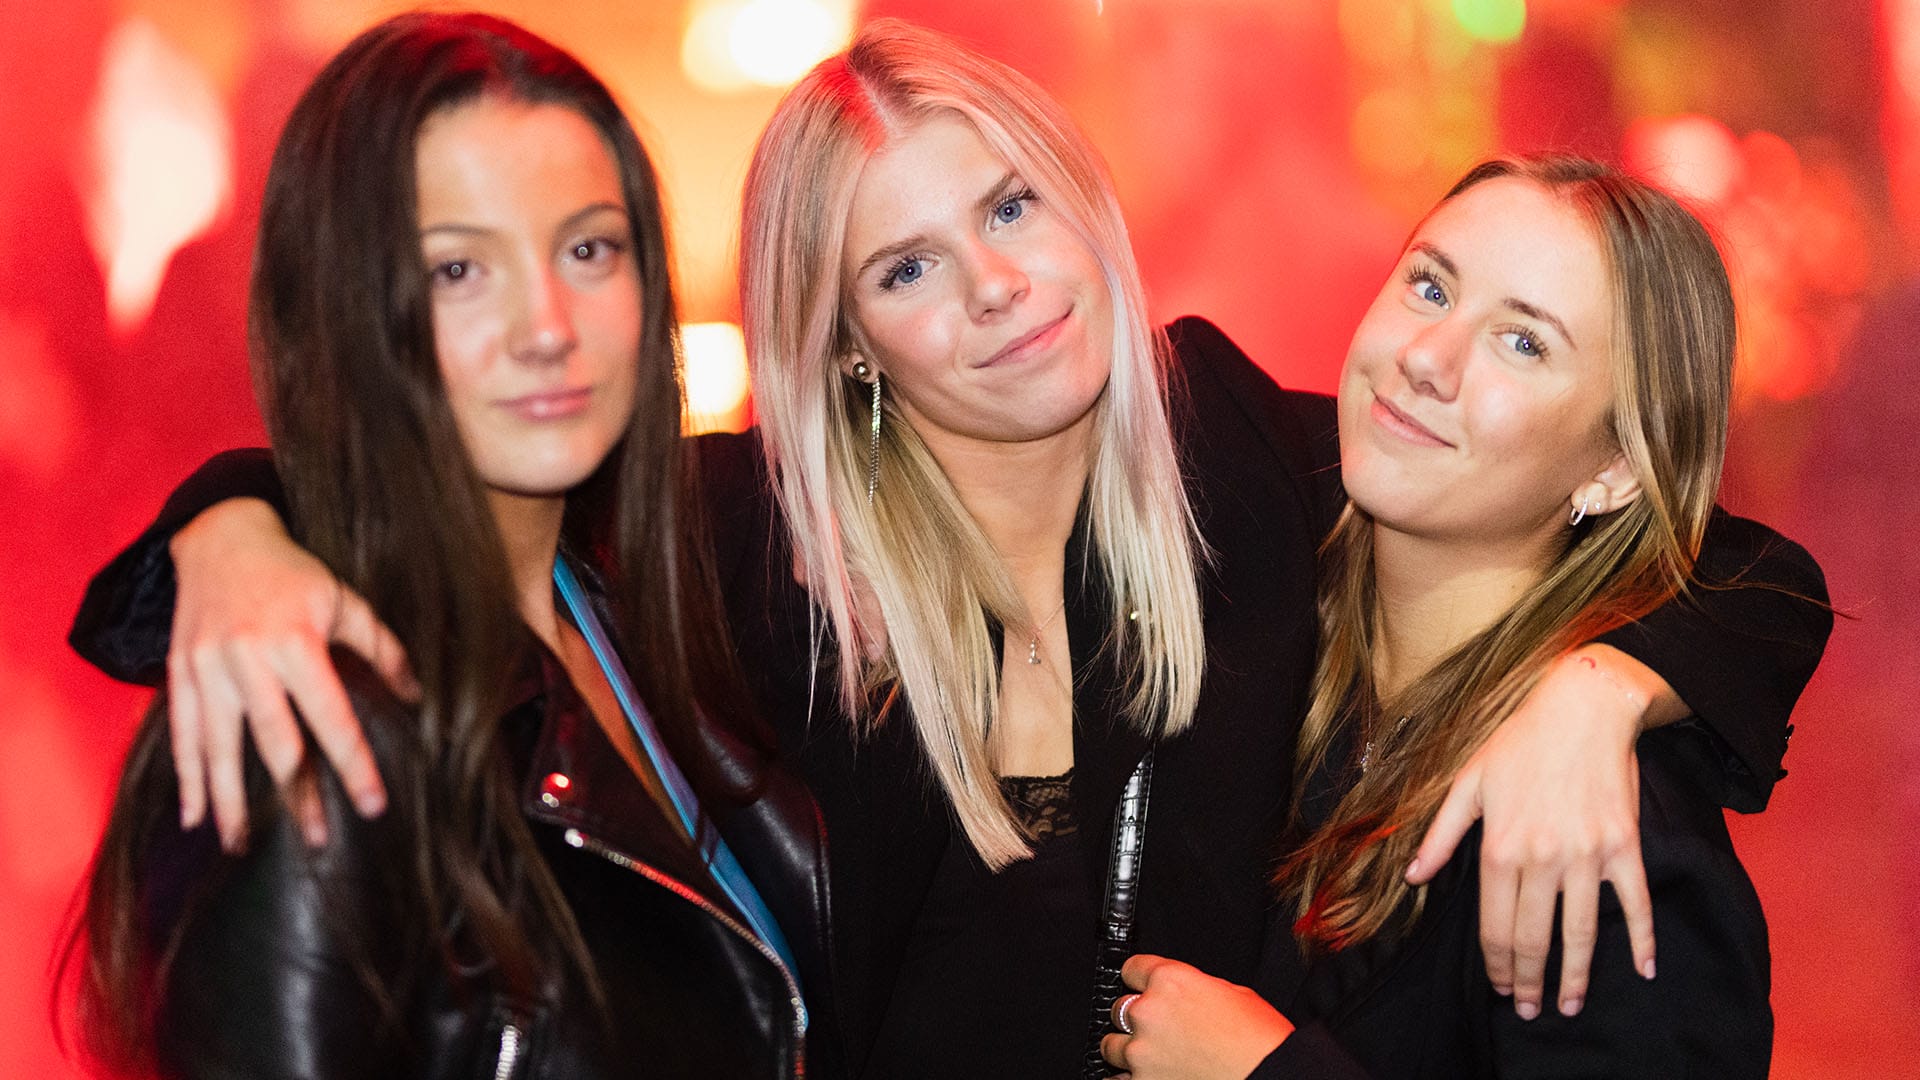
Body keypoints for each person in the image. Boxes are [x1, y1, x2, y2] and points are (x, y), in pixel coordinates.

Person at [68, 21, 1825, 1078]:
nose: (993, 288)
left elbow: (1704, 544)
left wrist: (1603, 693)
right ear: (846, 345)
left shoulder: (1237, 456)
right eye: (905, 269)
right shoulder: (749, 547)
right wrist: (231, 530)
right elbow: (456, 473)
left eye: (1009, 207)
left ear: (1078, 196)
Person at [62, 13, 832, 1078]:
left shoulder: (650, 593)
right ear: (348, 308)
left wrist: (226, 516)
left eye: (588, 249)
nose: (547, 325)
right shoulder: (308, 718)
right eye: (460, 269)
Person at [1100, 156, 1830, 1079]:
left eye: (1523, 343)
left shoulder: (1599, 839)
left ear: (1614, 468)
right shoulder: (1268, 546)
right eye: (1430, 285)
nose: (1427, 358)